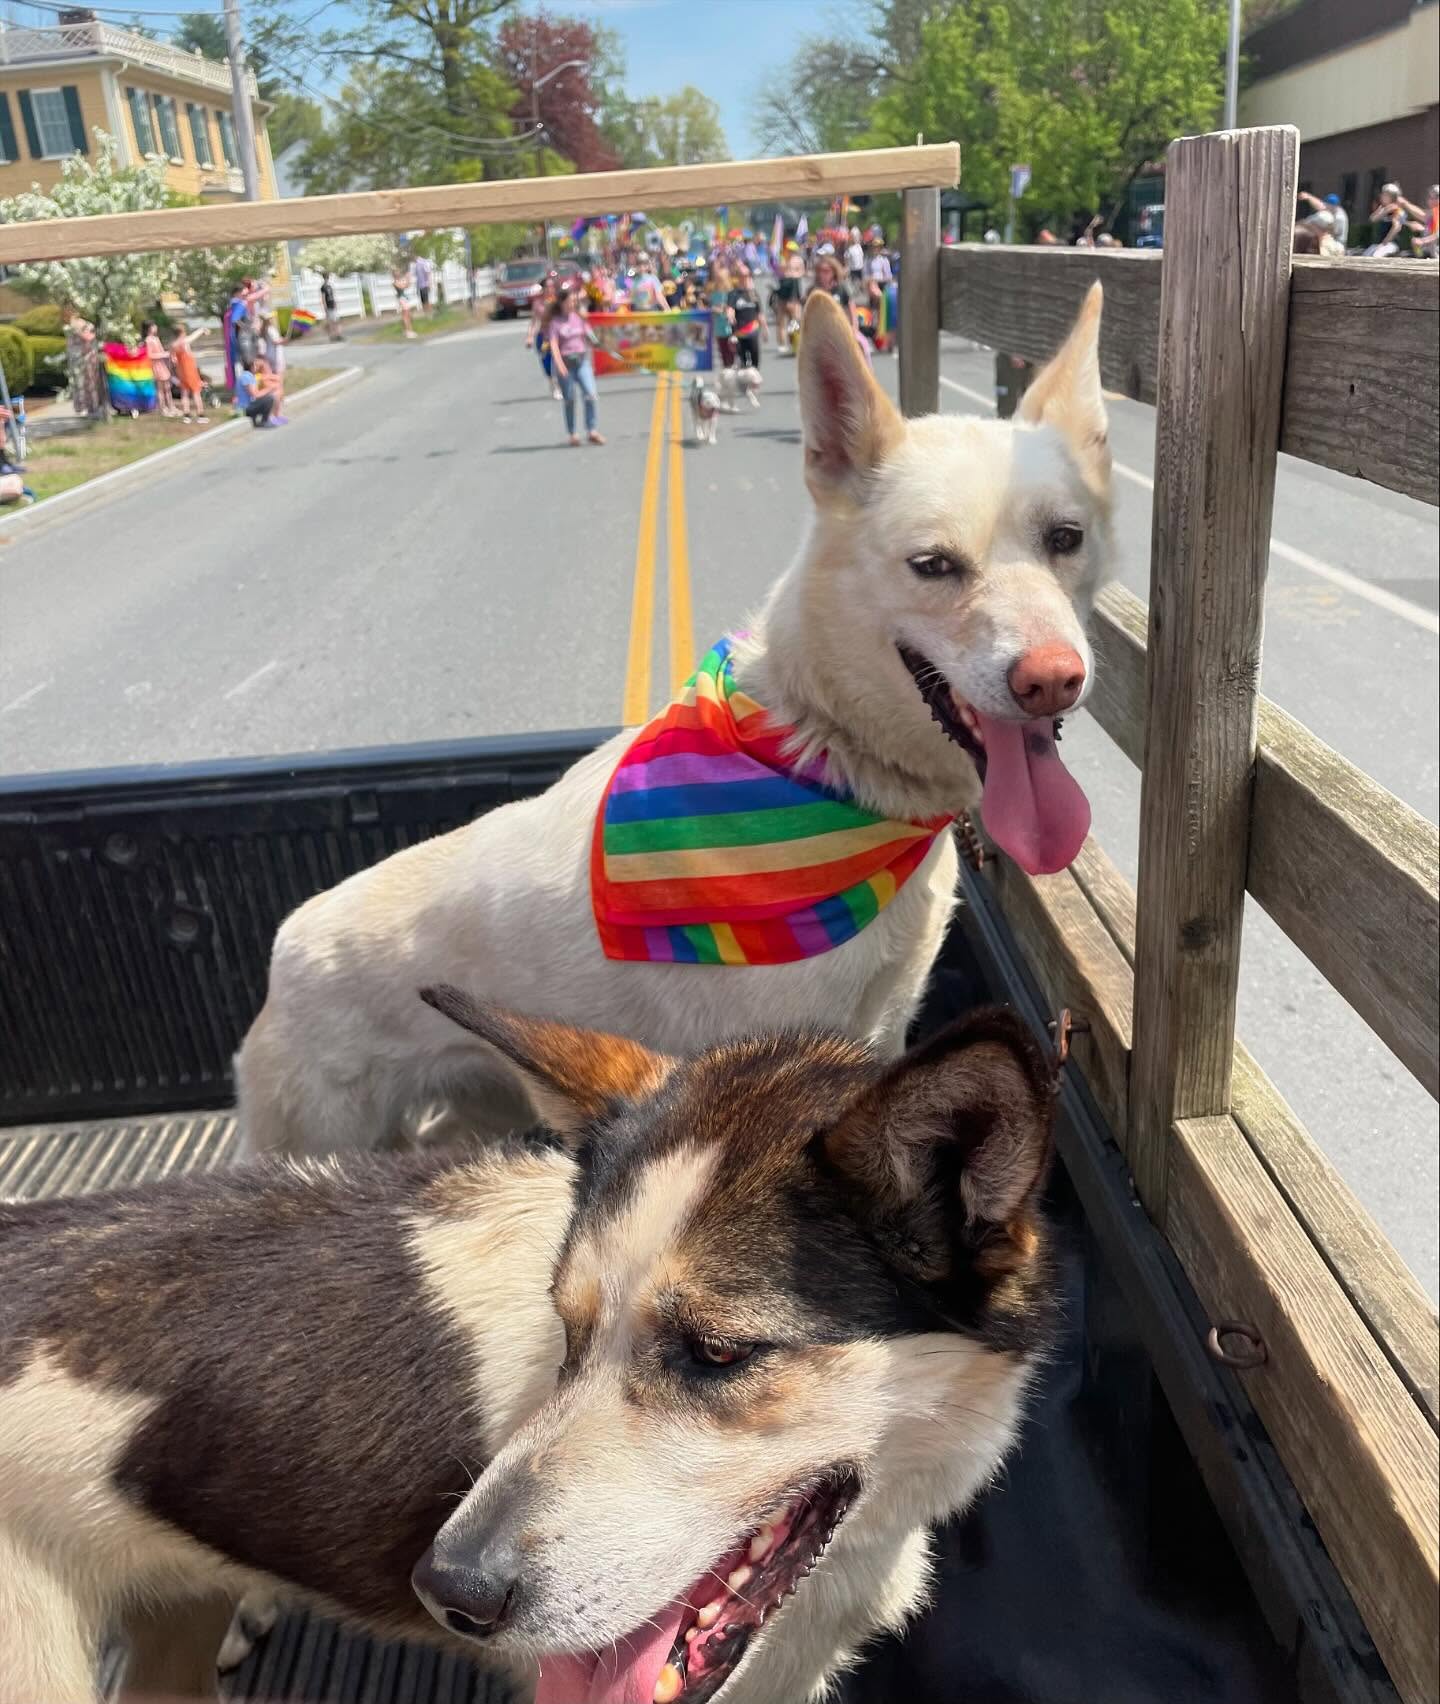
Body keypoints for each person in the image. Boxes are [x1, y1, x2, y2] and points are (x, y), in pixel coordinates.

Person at [545, 283, 604, 446]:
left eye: (574, 301)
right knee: (569, 399)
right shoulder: (555, 323)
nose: (573, 304)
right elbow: (554, 346)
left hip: (582, 362)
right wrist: (560, 366)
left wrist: (596, 342)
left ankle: (592, 430)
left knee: (591, 394)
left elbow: (589, 335)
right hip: (566, 364)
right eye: (570, 301)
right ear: (562, 303)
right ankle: (572, 433)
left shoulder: (579, 317)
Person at [526, 276, 560, 400]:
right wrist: (530, 336)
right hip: (544, 337)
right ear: (543, 288)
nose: (549, 289)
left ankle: (558, 387)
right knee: (546, 364)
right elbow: (534, 322)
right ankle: (552, 384)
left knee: (557, 362)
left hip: (558, 337)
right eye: (547, 287)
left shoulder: (558, 302)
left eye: (552, 287)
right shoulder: (537, 303)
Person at [728, 263, 766, 369]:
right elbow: (730, 309)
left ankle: (753, 380)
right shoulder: (734, 294)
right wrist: (730, 316)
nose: (745, 278)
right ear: (738, 277)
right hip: (739, 332)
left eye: (747, 275)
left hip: (753, 331)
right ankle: (744, 382)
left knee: (755, 359)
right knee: (743, 361)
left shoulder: (753, 293)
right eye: (742, 275)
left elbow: (759, 313)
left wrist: (765, 330)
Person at [169, 322, 207, 423]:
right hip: (190, 370)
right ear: (182, 333)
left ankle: (187, 415)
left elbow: (173, 359)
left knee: (184, 393)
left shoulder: (173, 345)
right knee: (196, 392)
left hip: (181, 371)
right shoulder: (184, 342)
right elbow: (193, 336)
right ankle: (200, 415)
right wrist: (202, 330)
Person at [773, 240, 805, 352]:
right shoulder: (783, 259)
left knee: (795, 316)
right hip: (784, 286)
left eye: (792, 250)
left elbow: (802, 272)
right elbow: (778, 271)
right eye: (789, 250)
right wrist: (783, 267)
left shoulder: (798, 260)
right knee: (781, 318)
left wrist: (794, 274)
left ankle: (794, 342)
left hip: (794, 286)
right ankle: (782, 343)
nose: (791, 252)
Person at [142, 321, 178, 418]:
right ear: (149, 328)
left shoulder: (156, 339)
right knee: (160, 389)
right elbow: (149, 355)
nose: (156, 327)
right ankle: (163, 408)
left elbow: (162, 351)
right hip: (156, 366)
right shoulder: (148, 340)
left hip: (162, 365)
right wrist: (164, 355)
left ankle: (171, 406)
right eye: (153, 326)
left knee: (167, 387)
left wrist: (168, 355)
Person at [258, 315, 287, 422]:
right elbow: (277, 341)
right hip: (276, 359)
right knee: (278, 385)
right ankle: (277, 412)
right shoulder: (270, 329)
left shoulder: (264, 329)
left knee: (274, 384)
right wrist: (285, 339)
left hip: (270, 358)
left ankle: (277, 410)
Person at [233, 357, 276, 427]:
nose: (257, 368)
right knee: (269, 398)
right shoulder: (246, 376)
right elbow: (255, 394)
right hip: (245, 408)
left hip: (249, 405)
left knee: (267, 397)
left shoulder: (249, 376)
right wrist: (268, 389)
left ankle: (261, 420)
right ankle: (264, 421)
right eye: (255, 365)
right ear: (252, 367)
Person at [392, 260, 418, 338]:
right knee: (406, 315)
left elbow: (407, 285)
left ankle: (406, 330)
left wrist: (408, 278)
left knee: (408, 315)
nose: (398, 273)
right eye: (397, 272)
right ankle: (408, 331)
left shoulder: (399, 280)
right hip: (402, 299)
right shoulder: (395, 282)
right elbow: (403, 286)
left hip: (404, 299)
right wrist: (407, 279)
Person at [319, 270, 344, 341]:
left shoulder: (330, 286)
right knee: (331, 322)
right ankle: (332, 336)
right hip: (329, 307)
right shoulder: (323, 287)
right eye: (327, 277)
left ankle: (338, 335)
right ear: (324, 277)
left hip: (332, 305)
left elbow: (333, 296)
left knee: (336, 321)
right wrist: (325, 308)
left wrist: (336, 303)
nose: (327, 278)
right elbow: (323, 298)